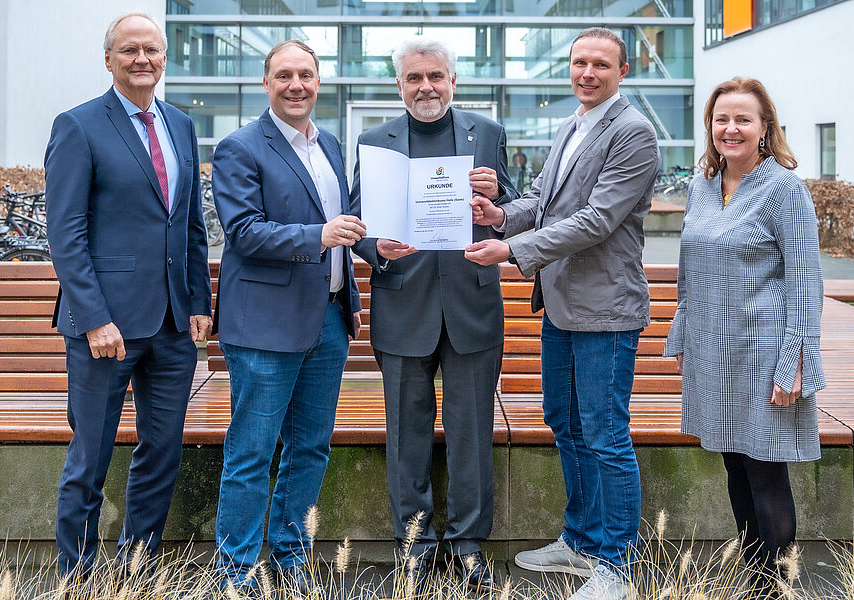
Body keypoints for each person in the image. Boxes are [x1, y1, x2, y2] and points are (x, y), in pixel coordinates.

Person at [466, 27, 659, 600]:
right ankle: (581, 542)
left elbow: (598, 220)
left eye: (601, 64)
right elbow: (548, 204)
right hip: (563, 306)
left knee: (605, 434)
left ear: (623, 72)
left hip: (605, 311)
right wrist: (501, 216)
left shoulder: (634, 133)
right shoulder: (573, 124)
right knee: (567, 425)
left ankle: (617, 565)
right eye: (579, 62)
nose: (587, 73)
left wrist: (513, 250)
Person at [44, 12, 212, 579]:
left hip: (170, 326)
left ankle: (138, 571)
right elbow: (65, 234)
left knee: (161, 454)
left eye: (152, 50)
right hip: (105, 327)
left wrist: (198, 302)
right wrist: (93, 318)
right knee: (89, 459)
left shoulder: (181, 126)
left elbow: (188, 225)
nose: (142, 59)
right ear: (109, 59)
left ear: (165, 57)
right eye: (129, 50)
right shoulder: (79, 125)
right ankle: (79, 578)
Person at [349, 37, 516, 593]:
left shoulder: (486, 135)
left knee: (472, 435)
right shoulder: (376, 142)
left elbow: (510, 214)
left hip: (470, 306)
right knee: (406, 435)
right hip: (403, 305)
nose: (426, 87)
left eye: (435, 77)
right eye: (414, 78)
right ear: (400, 86)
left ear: (452, 81)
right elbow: (356, 221)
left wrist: (497, 197)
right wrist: (375, 249)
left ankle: (469, 546)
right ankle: (414, 545)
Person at [211, 40, 365, 591]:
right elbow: (244, 231)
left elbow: (344, 226)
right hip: (265, 326)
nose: (296, 84)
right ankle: (236, 569)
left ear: (319, 81)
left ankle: (290, 553)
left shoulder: (330, 145)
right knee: (251, 451)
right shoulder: (239, 147)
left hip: (328, 318)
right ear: (266, 83)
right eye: (284, 75)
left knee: (310, 447)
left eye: (305, 74)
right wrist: (319, 237)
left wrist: (376, 246)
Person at [663, 77, 824, 597]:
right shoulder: (703, 187)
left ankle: (777, 588)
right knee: (734, 461)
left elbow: (806, 282)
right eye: (721, 119)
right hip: (714, 352)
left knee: (765, 470)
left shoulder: (785, 189)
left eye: (743, 119)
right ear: (710, 128)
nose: (730, 128)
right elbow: (688, 271)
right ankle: (754, 583)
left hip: (764, 351)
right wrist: (684, 341)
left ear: (764, 128)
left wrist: (795, 362)